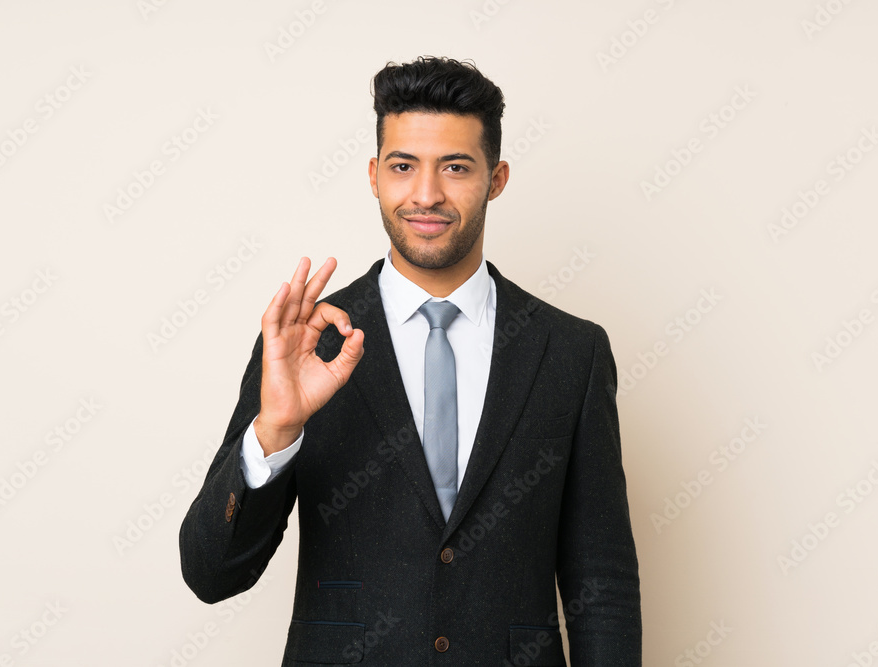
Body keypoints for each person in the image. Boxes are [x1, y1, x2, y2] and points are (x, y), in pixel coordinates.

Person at [179, 55, 641, 665]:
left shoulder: (571, 352)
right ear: (374, 175)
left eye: (455, 167)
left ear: (496, 178)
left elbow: (601, 582)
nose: (426, 195)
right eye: (403, 167)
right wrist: (277, 432)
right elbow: (212, 575)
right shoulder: (306, 340)